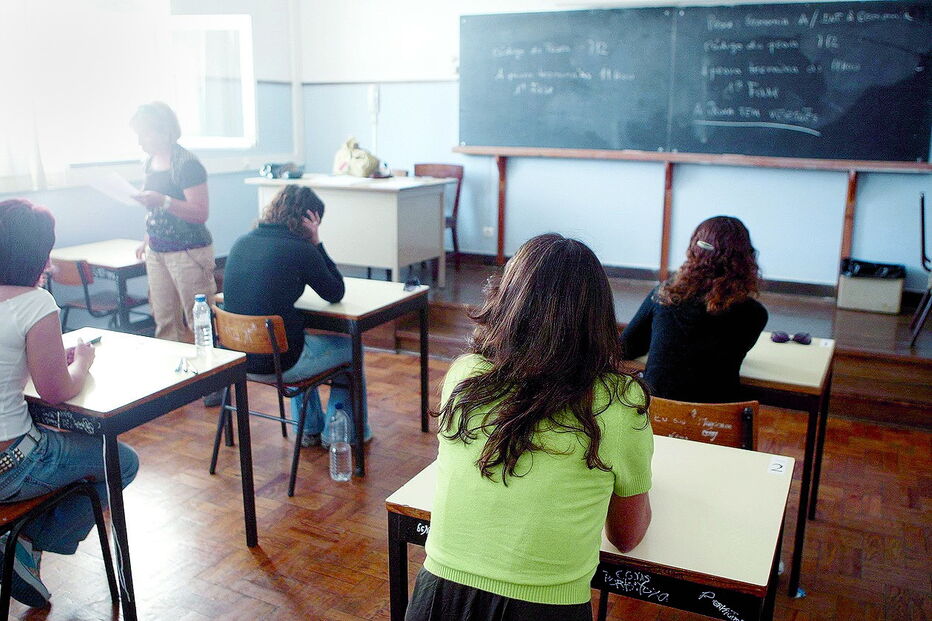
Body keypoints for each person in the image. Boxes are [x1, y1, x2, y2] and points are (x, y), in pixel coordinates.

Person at [407, 234, 653, 621]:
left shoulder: (466, 375)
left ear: (507, 301)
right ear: (598, 315)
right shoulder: (619, 403)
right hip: (545, 609)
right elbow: (627, 538)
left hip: (438, 598)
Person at [0, 199, 139, 608]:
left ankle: (18, 542)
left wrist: (34, 359)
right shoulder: (35, 301)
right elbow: (56, 392)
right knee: (121, 461)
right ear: (38, 254)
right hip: (10, 468)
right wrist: (82, 361)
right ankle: (25, 540)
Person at [222, 185, 370, 446]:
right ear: (310, 220)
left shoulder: (241, 242)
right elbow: (335, 292)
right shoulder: (301, 248)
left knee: (297, 338)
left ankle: (309, 429)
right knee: (350, 349)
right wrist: (317, 243)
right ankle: (340, 435)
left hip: (238, 359)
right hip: (280, 364)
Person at [620, 216, 768, 403]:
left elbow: (626, 347)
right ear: (746, 258)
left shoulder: (664, 296)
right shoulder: (755, 315)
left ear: (693, 251)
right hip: (715, 423)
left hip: (657, 418)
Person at [130, 101, 216, 343]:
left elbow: (200, 213)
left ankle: (209, 377)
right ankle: (175, 378)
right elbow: (155, 211)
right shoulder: (148, 163)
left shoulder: (186, 164)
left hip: (188, 252)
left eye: (144, 134)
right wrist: (147, 238)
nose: (140, 142)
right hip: (157, 251)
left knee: (199, 321)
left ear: (163, 131)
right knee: (164, 320)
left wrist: (163, 201)